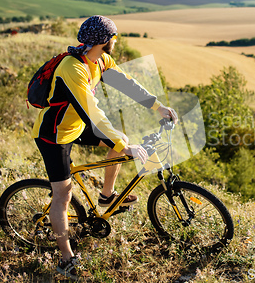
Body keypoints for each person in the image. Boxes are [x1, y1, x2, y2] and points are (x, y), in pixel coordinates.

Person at [32, 15, 177, 280]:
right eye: (113, 37)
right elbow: (93, 113)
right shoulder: (71, 69)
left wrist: (159, 106)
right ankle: (66, 258)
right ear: (103, 40)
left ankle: (106, 196)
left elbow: (127, 84)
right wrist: (126, 145)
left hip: (76, 125)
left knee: (119, 141)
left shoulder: (100, 59)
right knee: (63, 195)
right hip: (54, 135)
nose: (116, 40)